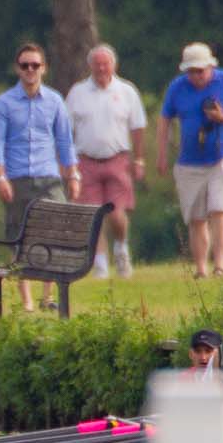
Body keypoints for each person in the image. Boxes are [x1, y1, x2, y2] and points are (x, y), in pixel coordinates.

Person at [0, 43, 79, 311]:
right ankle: (27, 299)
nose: (30, 70)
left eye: (35, 65)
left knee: (52, 233)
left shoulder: (54, 101)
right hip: (18, 176)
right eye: (25, 65)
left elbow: (64, 140)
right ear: (18, 69)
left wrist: (72, 173)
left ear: (44, 68)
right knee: (19, 235)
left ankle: (47, 295)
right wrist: (0, 177)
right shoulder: (4, 103)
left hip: (48, 175)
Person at [65, 44, 148, 278]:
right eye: (97, 64)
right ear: (90, 66)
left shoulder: (126, 91)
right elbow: (65, 130)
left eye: (106, 63)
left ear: (113, 65)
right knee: (93, 215)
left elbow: (138, 127)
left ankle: (121, 249)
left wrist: (139, 160)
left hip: (117, 160)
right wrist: (67, 163)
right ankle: (100, 263)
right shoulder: (77, 92)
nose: (101, 68)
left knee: (117, 213)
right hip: (85, 161)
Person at [157, 42, 223, 279]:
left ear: (210, 67)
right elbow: (165, 120)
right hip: (190, 160)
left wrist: (222, 117)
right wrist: (161, 154)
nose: (196, 76)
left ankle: (220, 265)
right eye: (192, 71)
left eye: (200, 71)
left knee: (219, 210)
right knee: (196, 216)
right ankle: (201, 267)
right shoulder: (177, 88)